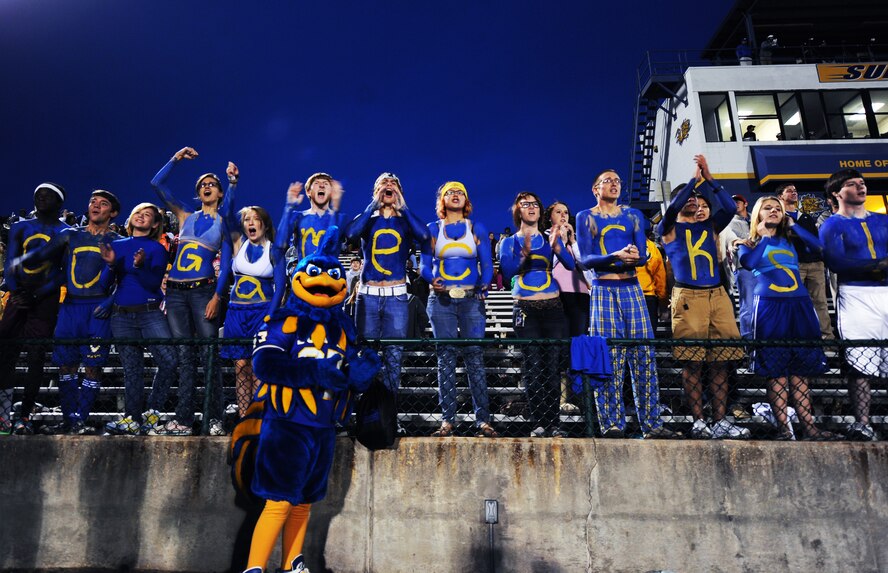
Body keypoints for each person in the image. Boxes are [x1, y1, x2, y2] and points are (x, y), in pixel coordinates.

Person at [232, 227, 379, 573]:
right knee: (279, 501)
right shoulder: (285, 320)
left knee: (304, 502)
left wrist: (360, 371)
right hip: (287, 423)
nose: (326, 280)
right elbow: (265, 364)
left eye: (333, 274)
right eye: (315, 273)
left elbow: (347, 367)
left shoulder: (344, 328)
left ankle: (292, 563)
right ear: (299, 277)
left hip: (324, 425)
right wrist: (313, 373)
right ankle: (254, 567)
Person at [9, 190, 121, 434]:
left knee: (93, 368)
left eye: (103, 204)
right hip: (70, 307)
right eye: (92, 201)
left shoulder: (118, 241)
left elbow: (126, 279)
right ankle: (70, 420)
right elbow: (44, 257)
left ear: (112, 213)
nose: (95, 206)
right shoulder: (69, 234)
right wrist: (20, 261)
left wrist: (110, 302)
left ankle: (80, 419)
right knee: (66, 366)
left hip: (97, 310)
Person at [576, 172, 676, 439]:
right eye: (608, 180)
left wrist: (635, 257)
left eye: (618, 180)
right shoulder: (585, 216)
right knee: (608, 357)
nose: (614, 183)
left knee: (644, 356)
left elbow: (643, 255)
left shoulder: (632, 215)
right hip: (603, 290)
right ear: (595, 188)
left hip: (633, 288)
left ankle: (652, 424)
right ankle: (612, 424)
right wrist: (614, 256)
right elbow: (585, 259)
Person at [657, 155, 749, 440]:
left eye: (696, 198)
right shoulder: (668, 228)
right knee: (692, 362)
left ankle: (720, 420)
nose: (694, 201)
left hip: (717, 294)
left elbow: (731, 207)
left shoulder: (710, 226)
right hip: (688, 296)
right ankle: (699, 420)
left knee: (722, 360)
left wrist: (709, 179)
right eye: (688, 197)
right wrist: (692, 182)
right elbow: (672, 208)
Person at [151, 146, 237, 436]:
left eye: (213, 184)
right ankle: (185, 419)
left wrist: (217, 296)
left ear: (221, 193)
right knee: (185, 358)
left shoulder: (224, 222)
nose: (207, 187)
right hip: (175, 293)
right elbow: (156, 184)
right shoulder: (185, 215)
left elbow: (225, 266)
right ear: (198, 193)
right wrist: (175, 158)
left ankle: (214, 418)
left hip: (203, 292)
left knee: (208, 355)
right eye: (202, 185)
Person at [738, 197, 839, 440]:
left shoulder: (791, 240)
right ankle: (784, 428)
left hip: (800, 306)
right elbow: (748, 263)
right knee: (777, 373)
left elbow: (819, 247)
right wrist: (763, 237)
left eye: (777, 208)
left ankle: (810, 427)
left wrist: (794, 226)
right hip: (770, 309)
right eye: (767, 208)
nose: (773, 211)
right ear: (757, 213)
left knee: (800, 372)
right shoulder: (749, 243)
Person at [419, 181, 497, 438]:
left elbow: (487, 264)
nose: (455, 195)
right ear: (441, 200)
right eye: (450, 192)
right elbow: (424, 265)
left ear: (467, 200)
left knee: (475, 356)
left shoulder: (476, 227)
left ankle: (483, 420)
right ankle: (447, 420)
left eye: (460, 192)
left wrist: (484, 284)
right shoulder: (432, 228)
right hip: (440, 299)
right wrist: (433, 280)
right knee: (445, 357)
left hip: (470, 298)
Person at [346, 173, 430, 403]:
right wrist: (374, 203)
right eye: (383, 183)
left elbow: (424, 236)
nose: (388, 186)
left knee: (394, 356)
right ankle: (365, 414)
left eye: (393, 184)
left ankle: (388, 415)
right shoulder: (368, 218)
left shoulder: (405, 220)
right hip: (368, 295)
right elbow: (351, 234)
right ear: (374, 190)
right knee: (367, 355)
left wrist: (403, 206)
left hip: (396, 295)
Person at [819, 168, 888, 441]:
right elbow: (836, 262)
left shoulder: (883, 220)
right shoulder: (832, 225)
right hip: (857, 295)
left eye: (862, 183)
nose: (860, 187)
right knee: (860, 362)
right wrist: (878, 264)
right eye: (852, 184)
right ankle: (863, 422)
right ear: (837, 193)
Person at [499, 191, 574, 438]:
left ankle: (553, 422)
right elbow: (508, 272)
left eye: (534, 204)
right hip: (525, 309)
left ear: (540, 211)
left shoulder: (548, 237)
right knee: (533, 367)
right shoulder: (509, 242)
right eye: (525, 204)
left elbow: (571, 265)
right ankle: (538, 422)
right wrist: (523, 254)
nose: (531, 208)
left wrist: (557, 245)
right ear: (517, 211)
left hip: (553, 308)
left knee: (553, 367)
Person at [101, 203, 179, 436]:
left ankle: (152, 413)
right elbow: (104, 285)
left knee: (169, 360)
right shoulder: (116, 245)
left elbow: (152, 284)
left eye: (148, 215)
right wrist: (111, 265)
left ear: (155, 224)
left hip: (150, 312)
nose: (142, 216)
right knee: (132, 370)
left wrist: (139, 266)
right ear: (130, 218)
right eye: (138, 213)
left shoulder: (157, 249)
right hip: (121, 315)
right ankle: (133, 419)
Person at [0, 183, 69, 435]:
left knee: (36, 357)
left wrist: (37, 293)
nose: (41, 198)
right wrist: (17, 291)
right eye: (38, 194)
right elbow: (11, 262)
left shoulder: (66, 232)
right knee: (5, 353)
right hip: (18, 297)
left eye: (48, 195)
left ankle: (25, 415)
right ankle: (3, 415)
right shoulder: (19, 227)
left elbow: (62, 271)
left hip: (45, 299)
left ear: (59, 203)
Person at [218, 205, 275, 419]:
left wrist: (270, 316)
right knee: (241, 367)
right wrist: (232, 185)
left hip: (261, 312)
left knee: (258, 367)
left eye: (256, 218)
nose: (250, 222)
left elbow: (282, 286)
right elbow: (226, 214)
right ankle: (244, 417)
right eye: (247, 219)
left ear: (265, 223)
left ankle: (258, 416)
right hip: (236, 312)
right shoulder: (237, 243)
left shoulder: (273, 248)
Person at [269, 173, 346, 313]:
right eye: (316, 183)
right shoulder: (298, 216)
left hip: (330, 286)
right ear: (308, 192)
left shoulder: (340, 217)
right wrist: (288, 207)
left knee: (329, 332)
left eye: (326, 183)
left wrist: (335, 209)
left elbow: (333, 244)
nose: (321, 185)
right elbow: (279, 245)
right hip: (303, 285)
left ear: (332, 192)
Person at [777, 183, 834, 338]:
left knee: (820, 302)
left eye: (795, 190)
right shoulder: (779, 219)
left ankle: (827, 338)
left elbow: (815, 241)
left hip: (815, 264)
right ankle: (799, 339)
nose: (794, 193)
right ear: (780, 196)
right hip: (793, 266)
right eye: (789, 190)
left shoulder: (806, 216)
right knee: (794, 302)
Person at [546, 201, 590, 337]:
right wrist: (562, 244)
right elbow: (548, 265)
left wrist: (572, 241)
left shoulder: (577, 240)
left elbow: (585, 264)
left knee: (578, 338)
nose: (563, 215)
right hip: (557, 294)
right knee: (560, 338)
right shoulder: (545, 237)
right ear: (549, 218)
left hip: (579, 294)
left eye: (565, 212)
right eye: (558, 212)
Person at [721, 194, 755, 338]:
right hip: (743, 266)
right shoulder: (729, 223)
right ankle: (747, 338)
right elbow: (732, 244)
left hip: (763, 265)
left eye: (738, 201)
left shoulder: (756, 218)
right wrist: (737, 243)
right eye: (732, 202)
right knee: (747, 304)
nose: (735, 204)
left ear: (745, 203)